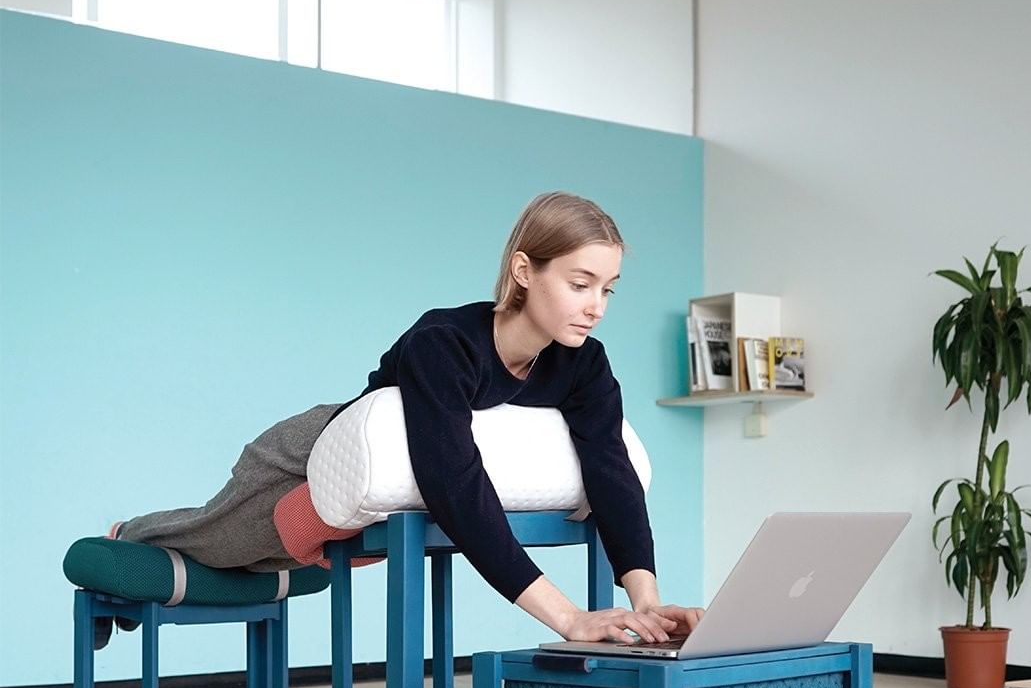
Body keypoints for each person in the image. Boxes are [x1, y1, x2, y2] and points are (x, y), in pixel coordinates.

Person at [114, 192, 703, 646]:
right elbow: (455, 482)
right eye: (580, 284)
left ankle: (140, 578)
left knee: (270, 560)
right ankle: (125, 541)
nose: (596, 306)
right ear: (525, 270)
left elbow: (612, 471)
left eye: (609, 289)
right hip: (302, 454)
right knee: (213, 544)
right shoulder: (443, 342)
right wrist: (568, 616)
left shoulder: (585, 363)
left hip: (362, 489)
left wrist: (646, 599)